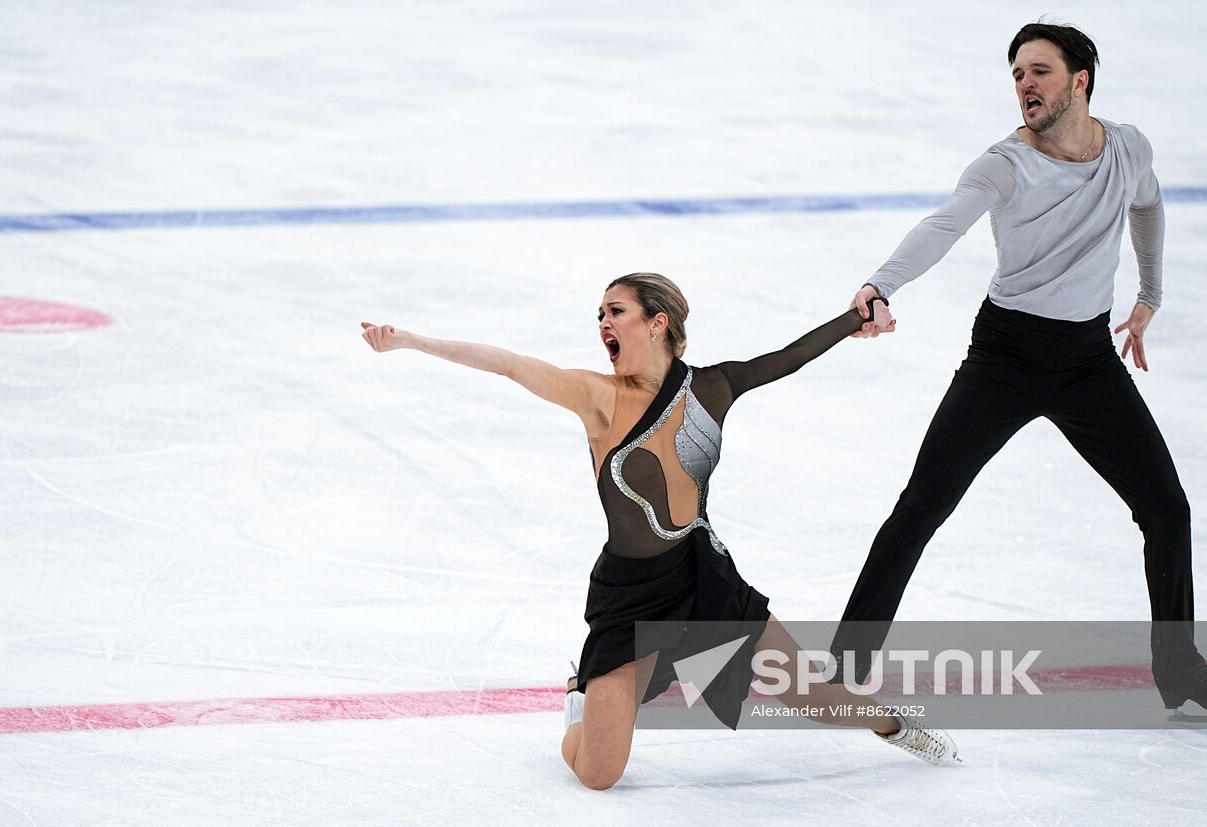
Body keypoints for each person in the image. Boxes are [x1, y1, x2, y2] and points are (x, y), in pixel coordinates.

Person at [362, 273, 957, 791]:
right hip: (631, 595)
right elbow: (512, 364)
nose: (603, 323)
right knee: (599, 774)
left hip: (698, 575)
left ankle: (897, 726)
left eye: (615, 311)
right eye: (599, 314)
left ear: (657, 322)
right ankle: (581, 702)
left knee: (813, 695)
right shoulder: (598, 398)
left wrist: (855, 319)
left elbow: (787, 357)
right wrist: (411, 341)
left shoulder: (713, 388)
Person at [831, 22, 1207, 716]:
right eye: (1017, 74)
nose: (1024, 84)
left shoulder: (1127, 148)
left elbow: (1146, 201)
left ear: (1080, 80)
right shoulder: (1005, 164)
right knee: (921, 506)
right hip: (1006, 357)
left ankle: (1178, 663)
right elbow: (943, 226)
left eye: (1039, 71)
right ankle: (847, 663)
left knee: (1167, 508)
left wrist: (1148, 295)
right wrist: (881, 285)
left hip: (1087, 359)